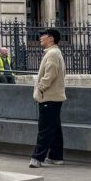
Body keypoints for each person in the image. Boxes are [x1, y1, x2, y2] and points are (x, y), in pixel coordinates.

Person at [29, 28, 66, 168]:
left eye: (43, 36)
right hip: (55, 97)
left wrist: (40, 88)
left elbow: (50, 74)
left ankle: (37, 158)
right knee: (55, 128)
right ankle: (56, 156)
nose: (40, 38)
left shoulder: (52, 54)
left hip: (49, 97)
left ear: (51, 38)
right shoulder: (55, 52)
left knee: (44, 129)